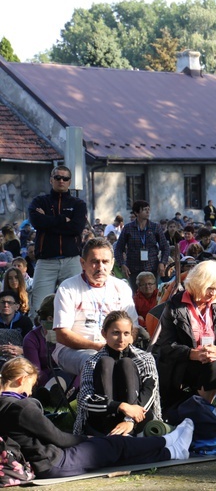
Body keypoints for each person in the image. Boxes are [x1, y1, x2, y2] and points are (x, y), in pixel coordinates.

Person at [0, 357, 193, 478]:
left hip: (41, 461)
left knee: (116, 457)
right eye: (31, 385)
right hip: (52, 462)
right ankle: (166, 440)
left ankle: (172, 452)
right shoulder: (21, 407)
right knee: (115, 445)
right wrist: (90, 439)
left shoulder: (5, 405)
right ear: (21, 380)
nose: (30, 391)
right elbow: (58, 438)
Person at [155, 260, 216, 426]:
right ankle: (205, 414)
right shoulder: (175, 305)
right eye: (210, 288)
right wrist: (192, 354)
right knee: (214, 366)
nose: (213, 293)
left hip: (212, 355)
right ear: (198, 284)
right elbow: (166, 345)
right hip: (184, 362)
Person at [52, 238, 138, 377]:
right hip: (73, 350)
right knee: (99, 362)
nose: (100, 267)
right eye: (94, 262)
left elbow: (134, 329)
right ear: (83, 263)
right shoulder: (68, 288)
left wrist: (121, 346)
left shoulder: (121, 288)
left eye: (105, 262)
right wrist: (99, 347)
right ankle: (99, 399)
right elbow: (62, 335)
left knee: (144, 362)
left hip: (116, 347)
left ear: (112, 264)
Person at [73, 311, 160, 436]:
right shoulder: (92, 362)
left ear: (132, 335)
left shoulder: (145, 358)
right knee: (105, 362)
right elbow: (85, 399)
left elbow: (150, 390)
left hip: (138, 417)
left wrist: (130, 419)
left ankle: (129, 433)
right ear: (104, 333)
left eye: (126, 334)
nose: (121, 339)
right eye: (115, 333)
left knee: (126, 363)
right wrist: (120, 406)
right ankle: (111, 433)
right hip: (104, 418)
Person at [28, 165, 87, 319]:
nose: (61, 181)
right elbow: (36, 222)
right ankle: (37, 341)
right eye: (58, 177)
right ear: (51, 180)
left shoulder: (78, 204)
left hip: (71, 260)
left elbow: (76, 228)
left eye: (65, 178)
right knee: (38, 307)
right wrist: (63, 220)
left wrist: (48, 221)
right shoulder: (39, 201)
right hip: (46, 262)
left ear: (70, 182)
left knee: (78, 303)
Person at [115, 200, 170, 291]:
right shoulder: (128, 228)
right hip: (133, 268)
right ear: (137, 212)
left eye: (148, 209)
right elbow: (118, 249)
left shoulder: (155, 227)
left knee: (152, 294)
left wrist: (162, 263)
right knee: (136, 294)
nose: (148, 212)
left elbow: (165, 247)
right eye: (145, 210)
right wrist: (122, 264)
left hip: (152, 267)